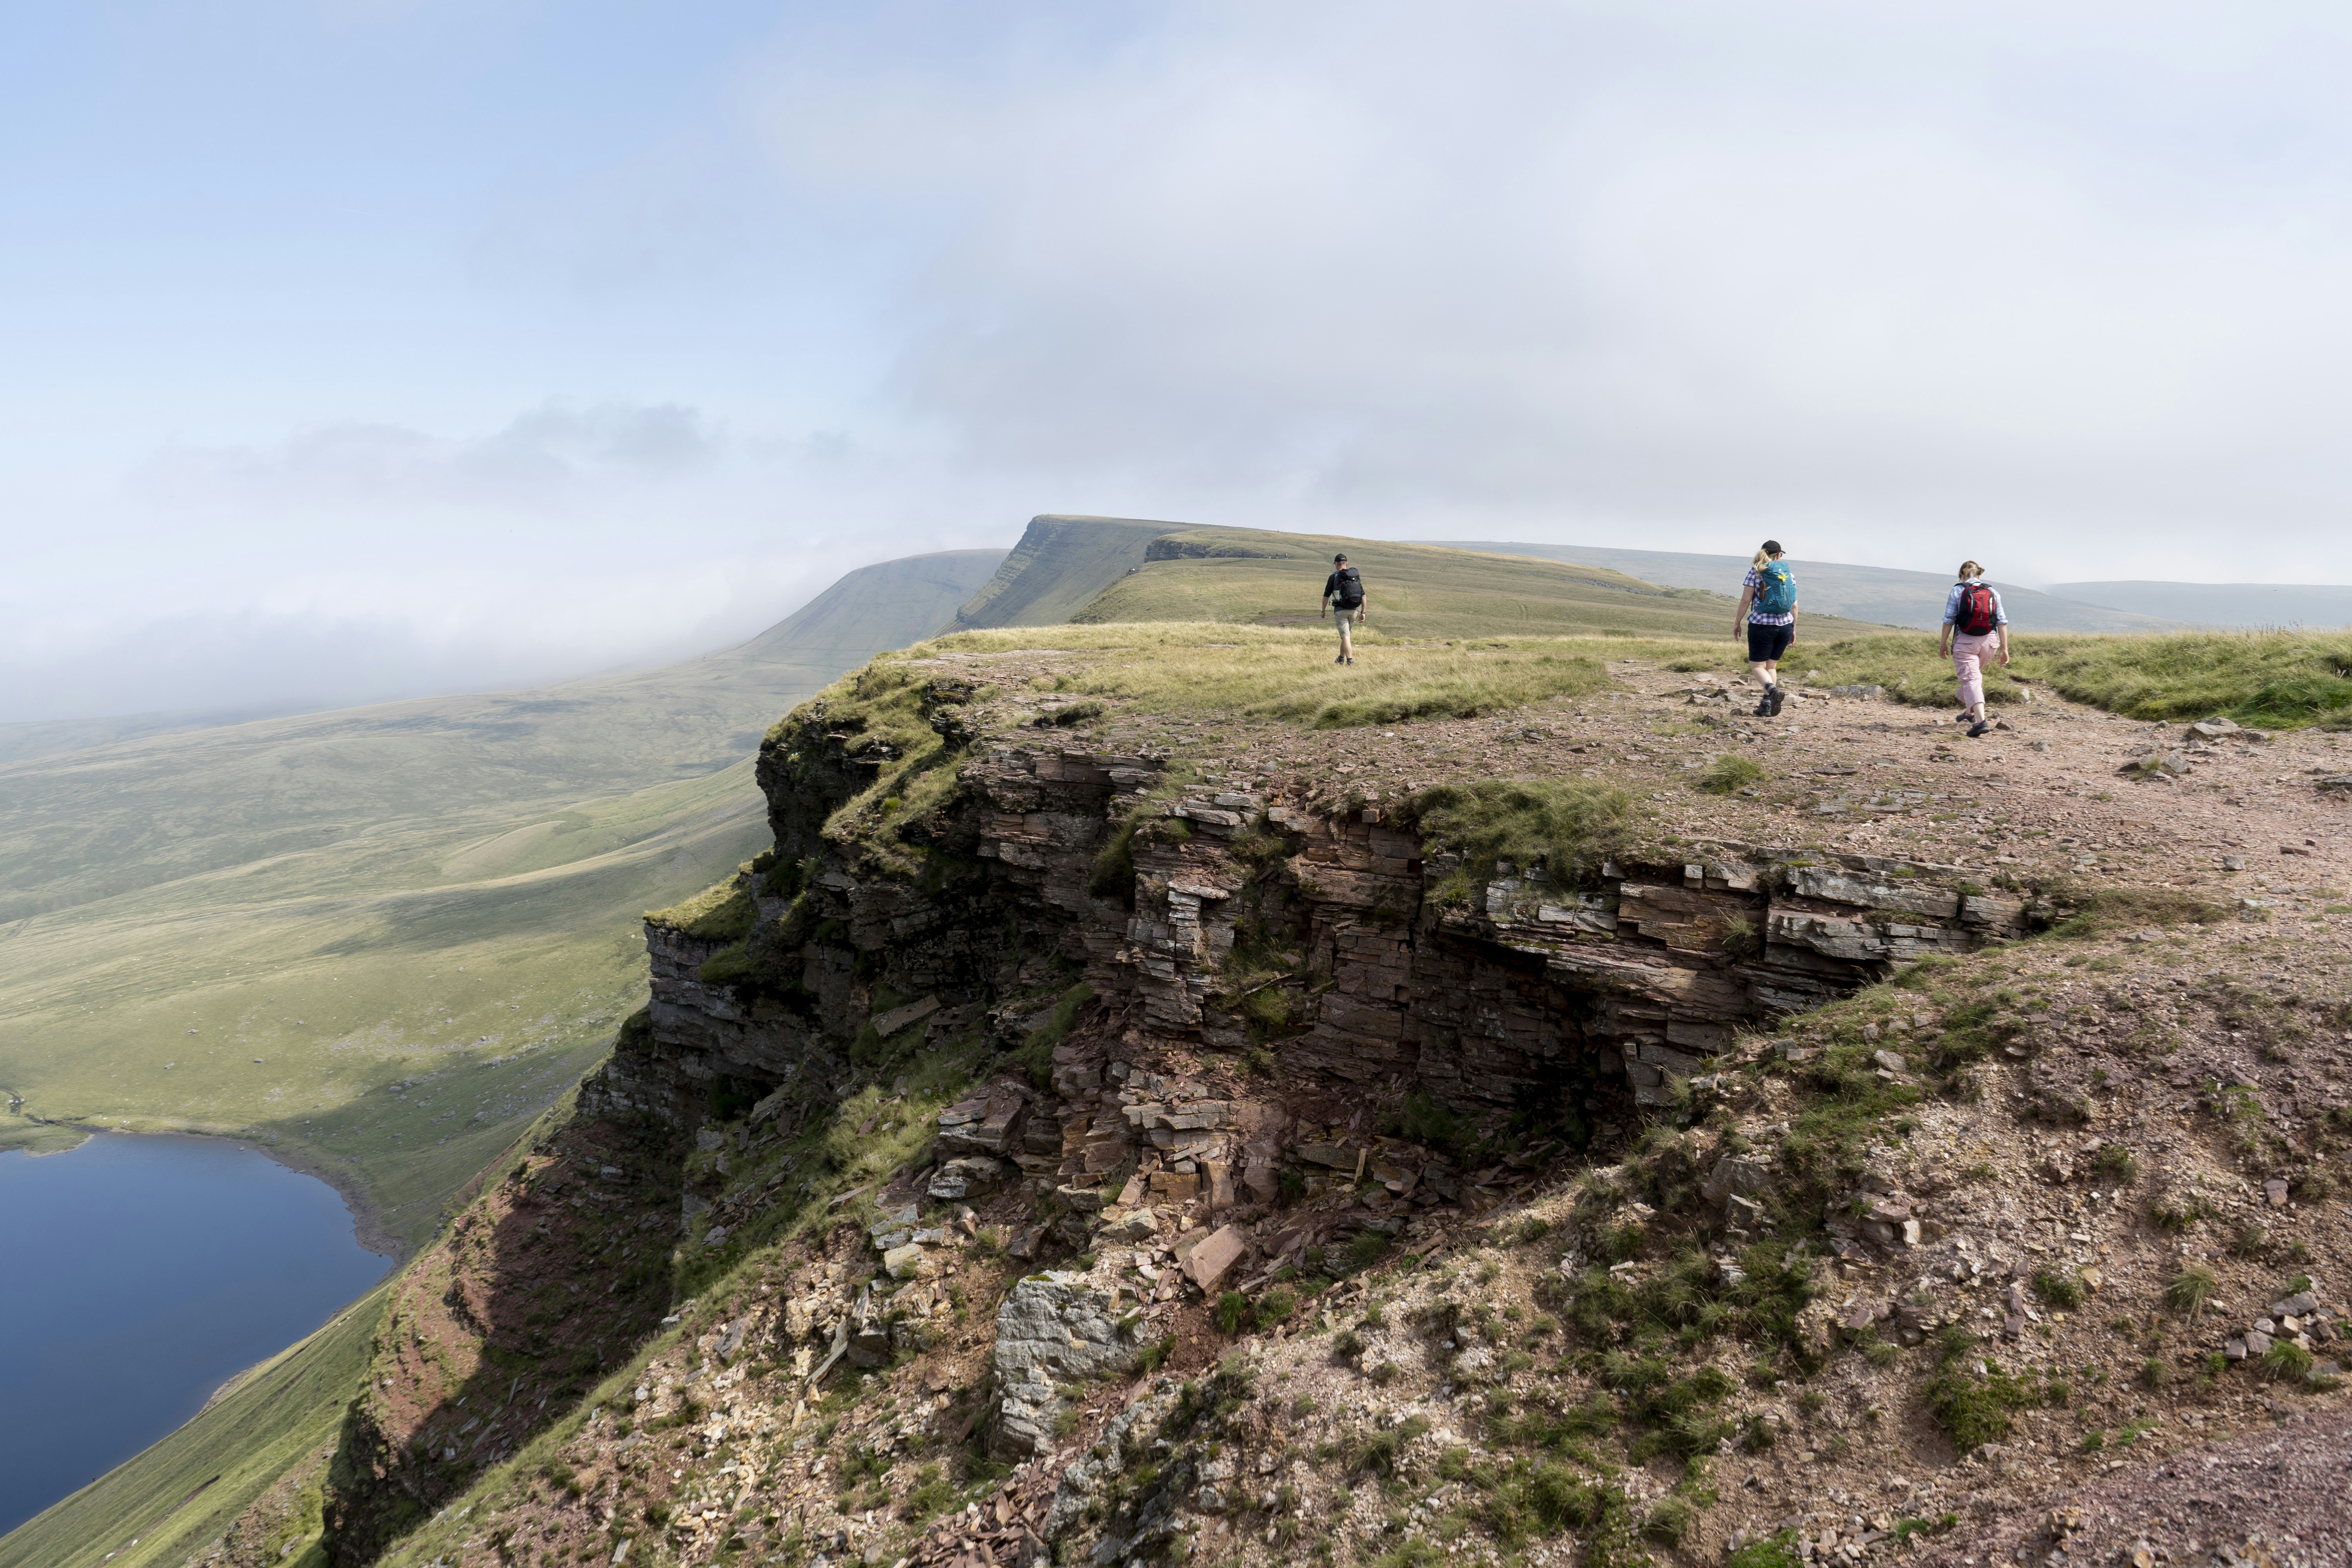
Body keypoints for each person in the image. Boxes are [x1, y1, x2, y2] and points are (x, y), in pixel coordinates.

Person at [1940, 561, 2010, 739]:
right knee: (1974, 678)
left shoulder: (1958, 590)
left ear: (1962, 576)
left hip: (1966, 642)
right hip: (1990, 642)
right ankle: (1969, 714)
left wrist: (1943, 643)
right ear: (1979, 575)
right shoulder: (1993, 591)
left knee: (1971, 680)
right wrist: (2005, 649)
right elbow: (2002, 621)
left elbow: (1949, 619)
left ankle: (1981, 722)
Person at [1731, 541, 1798, 715]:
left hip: (1761, 625)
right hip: (1785, 626)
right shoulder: (1788, 575)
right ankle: (1766, 706)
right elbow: (1795, 605)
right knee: (1771, 667)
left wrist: (1737, 622)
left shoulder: (1756, 573)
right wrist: (1794, 628)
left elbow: (1746, 600)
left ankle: (1773, 690)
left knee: (1758, 666)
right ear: (1779, 556)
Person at [1321, 552, 1366, 665]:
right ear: (1347, 564)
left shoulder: (1334, 577)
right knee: (1346, 635)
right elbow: (1364, 596)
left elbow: (1326, 596)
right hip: (1354, 610)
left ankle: (1350, 661)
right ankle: (1341, 658)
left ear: (1336, 564)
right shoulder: (1354, 576)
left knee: (1345, 636)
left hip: (1341, 611)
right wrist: (1363, 612)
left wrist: (1323, 611)